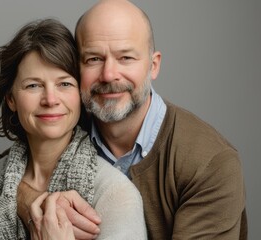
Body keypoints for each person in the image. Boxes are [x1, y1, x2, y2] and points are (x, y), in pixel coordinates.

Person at [17, 0, 248, 239]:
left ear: (153, 65)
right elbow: (3, 171)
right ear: (78, 68)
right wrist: (33, 202)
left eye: (125, 57)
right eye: (94, 59)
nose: (108, 75)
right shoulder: (67, 125)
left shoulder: (210, 163)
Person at [0, 18, 147, 240]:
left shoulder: (115, 194)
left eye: (65, 84)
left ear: (80, 95)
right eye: (33, 85)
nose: (50, 99)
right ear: (11, 99)